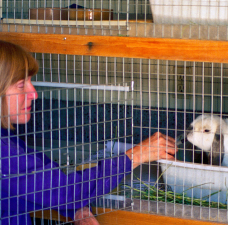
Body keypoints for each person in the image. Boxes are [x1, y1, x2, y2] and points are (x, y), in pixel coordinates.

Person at [0, 40, 177, 225]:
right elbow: (62, 188)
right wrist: (135, 155)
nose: (34, 93)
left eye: (30, 82)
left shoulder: (6, 137)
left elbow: (44, 180)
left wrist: (76, 208)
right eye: (21, 85)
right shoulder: (2, 153)